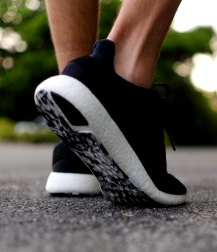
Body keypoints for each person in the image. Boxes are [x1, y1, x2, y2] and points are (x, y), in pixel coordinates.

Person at [35, 0, 187, 206]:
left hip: (89, 83)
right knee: (115, 76)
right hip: (122, 91)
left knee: (87, 87)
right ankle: (124, 68)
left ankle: (80, 138)